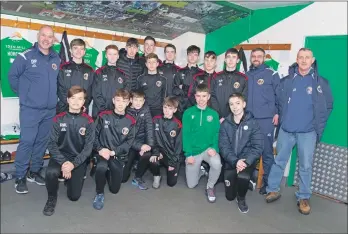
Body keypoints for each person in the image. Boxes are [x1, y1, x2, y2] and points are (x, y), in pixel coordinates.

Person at [265, 48, 333, 215]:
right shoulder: (287, 80)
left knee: (305, 166)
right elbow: (279, 102)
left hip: (307, 132)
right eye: (301, 57)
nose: (303, 60)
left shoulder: (320, 83)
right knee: (279, 161)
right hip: (286, 131)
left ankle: (303, 196)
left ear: (312, 60)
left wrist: (317, 127)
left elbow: (328, 106)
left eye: (307, 58)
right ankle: (273, 189)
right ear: (297, 59)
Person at [8, 25, 60, 194]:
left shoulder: (56, 58)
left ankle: (34, 171)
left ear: (53, 40)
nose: (46, 39)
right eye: (43, 35)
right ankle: (20, 177)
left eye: (50, 36)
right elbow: (12, 76)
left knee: (41, 142)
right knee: (27, 142)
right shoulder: (25, 55)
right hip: (30, 109)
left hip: (50, 110)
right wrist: (25, 95)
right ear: (38, 36)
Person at [43, 86, 95, 216]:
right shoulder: (58, 119)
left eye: (80, 99)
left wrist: (73, 164)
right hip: (60, 156)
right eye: (73, 98)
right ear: (67, 100)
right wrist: (64, 162)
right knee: (50, 172)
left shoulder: (89, 121)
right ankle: (51, 198)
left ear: (84, 102)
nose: (76, 102)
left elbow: (88, 147)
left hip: (78, 159)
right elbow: (52, 144)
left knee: (74, 197)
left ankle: (69, 179)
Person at [92, 89, 136, 210]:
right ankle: (99, 193)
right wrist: (100, 149)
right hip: (102, 153)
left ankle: (109, 172)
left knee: (114, 190)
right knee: (101, 167)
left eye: (124, 101)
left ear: (128, 103)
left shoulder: (131, 121)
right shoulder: (103, 116)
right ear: (113, 101)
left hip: (117, 155)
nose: (121, 104)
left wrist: (113, 152)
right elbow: (93, 136)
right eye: (118, 100)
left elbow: (129, 142)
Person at [219, 93, 263, 213]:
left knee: (243, 176)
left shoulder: (253, 123)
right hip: (231, 161)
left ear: (244, 104)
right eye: (231, 104)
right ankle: (242, 183)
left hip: (246, 162)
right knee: (229, 197)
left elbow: (258, 147)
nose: (235, 107)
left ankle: (241, 198)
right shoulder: (225, 124)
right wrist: (235, 161)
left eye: (238, 103)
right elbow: (224, 147)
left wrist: (245, 161)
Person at [246, 48, 281, 195]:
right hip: (248, 118)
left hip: (266, 119)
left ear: (264, 58)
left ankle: (269, 184)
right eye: (253, 56)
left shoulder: (271, 73)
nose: (256, 58)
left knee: (266, 152)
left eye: (259, 56)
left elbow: (280, 96)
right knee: (247, 150)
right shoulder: (247, 75)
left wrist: (278, 113)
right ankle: (247, 178)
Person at [182, 84, 222, 203]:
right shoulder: (188, 113)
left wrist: (214, 147)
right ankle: (201, 171)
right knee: (191, 185)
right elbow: (186, 135)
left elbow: (216, 133)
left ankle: (210, 186)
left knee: (216, 164)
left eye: (204, 96)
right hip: (193, 151)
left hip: (208, 149)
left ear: (208, 97)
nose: (201, 99)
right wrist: (188, 154)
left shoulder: (214, 114)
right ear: (195, 97)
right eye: (198, 96)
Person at [149, 97, 183, 188]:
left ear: (175, 110)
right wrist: (156, 152)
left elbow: (178, 146)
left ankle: (171, 168)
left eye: (170, 108)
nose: (167, 111)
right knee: (153, 160)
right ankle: (157, 176)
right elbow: (152, 138)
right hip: (159, 151)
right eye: (165, 107)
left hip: (172, 155)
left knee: (171, 183)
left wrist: (173, 162)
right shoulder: (155, 120)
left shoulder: (177, 124)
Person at [57, 38, 95, 114]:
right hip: (64, 109)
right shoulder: (63, 68)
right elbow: (60, 89)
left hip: (82, 110)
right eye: (75, 48)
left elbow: (90, 92)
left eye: (81, 49)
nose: (78, 51)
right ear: (70, 50)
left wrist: (82, 105)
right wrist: (71, 105)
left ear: (84, 52)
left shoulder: (90, 70)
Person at [126, 90, 154, 190]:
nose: (138, 103)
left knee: (147, 154)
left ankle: (138, 177)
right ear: (130, 100)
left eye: (140, 100)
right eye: (135, 100)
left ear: (144, 101)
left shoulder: (146, 110)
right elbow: (126, 136)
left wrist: (148, 145)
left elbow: (149, 128)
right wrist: (139, 146)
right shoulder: (126, 111)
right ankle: (130, 165)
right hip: (129, 144)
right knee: (123, 178)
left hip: (142, 141)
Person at [92, 44, 129, 118]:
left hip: (116, 113)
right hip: (100, 113)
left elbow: (124, 95)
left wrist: (115, 110)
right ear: (106, 55)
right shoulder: (99, 72)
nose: (112, 57)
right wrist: (104, 110)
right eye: (110, 54)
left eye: (115, 54)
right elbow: (96, 94)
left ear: (118, 56)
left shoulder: (122, 75)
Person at [211, 48, 248, 121]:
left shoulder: (243, 78)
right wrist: (218, 116)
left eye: (234, 57)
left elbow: (243, 99)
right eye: (228, 57)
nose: (231, 60)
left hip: (235, 119)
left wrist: (232, 117)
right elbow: (212, 97)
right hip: (218, 118)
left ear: (237, 60)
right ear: (225, 60)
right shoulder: (216, 77)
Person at [173, 45, 203, 119]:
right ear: (187, 56)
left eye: (195, 55)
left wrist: (183, 87)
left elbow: (202, 91)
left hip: (196, 108)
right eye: (190, 54)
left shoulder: (202, 74)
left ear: (198, 57)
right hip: (180, 108)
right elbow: (175, 89)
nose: (192, 57)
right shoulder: (180, 72)